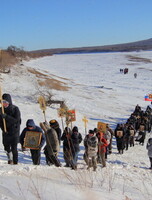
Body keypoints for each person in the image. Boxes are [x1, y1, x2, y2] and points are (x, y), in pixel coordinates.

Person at [0, 93, 21, 164]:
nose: (4, 104)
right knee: (6, 147)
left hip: (14, 132)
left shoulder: (15, 109)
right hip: (6, 132)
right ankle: (10, 158)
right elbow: (0, 123)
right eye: (2, 102)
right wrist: (3, 130)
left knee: (14, 148)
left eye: (5, 102)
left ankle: (15, 162)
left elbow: (16, 120)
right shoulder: (1, 110)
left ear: (9, 102)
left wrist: (6, 117)